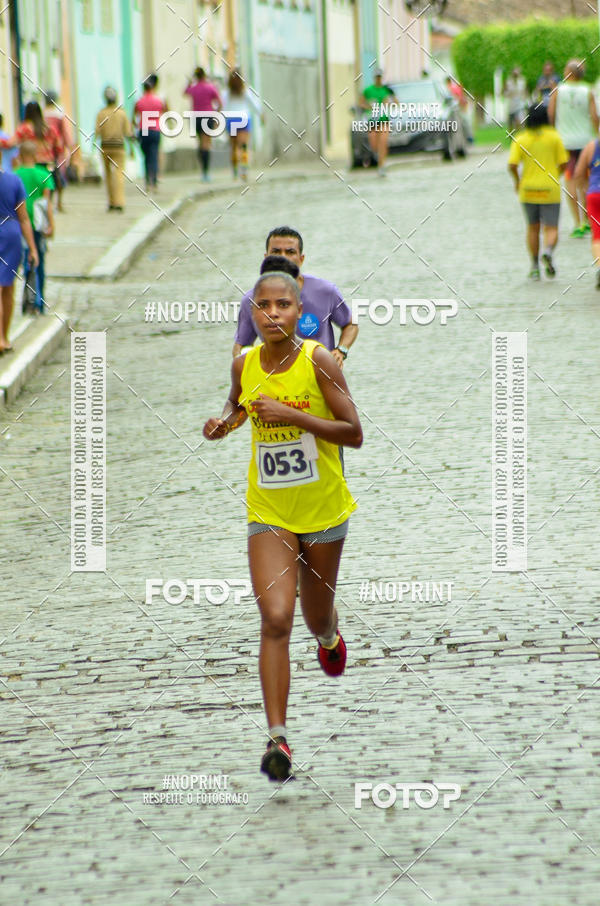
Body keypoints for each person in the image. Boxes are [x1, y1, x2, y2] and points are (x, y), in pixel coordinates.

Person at [202, 270, 363, 780]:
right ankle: (278, 739)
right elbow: (237, 405)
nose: (272, 314)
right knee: (275, 618)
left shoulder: (319, 361)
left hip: (322, 512)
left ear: (300, 313)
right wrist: (223, 423)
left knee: (315, 619)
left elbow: (353, 433)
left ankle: (330, 635)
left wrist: (294, 417)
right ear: (252, 314)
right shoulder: (244, 363)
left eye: (282, 306)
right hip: (268, 509)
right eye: (262, 306)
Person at [232, 226, 358, 368]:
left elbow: (350, 324)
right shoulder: (251, 300)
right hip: (278, 381)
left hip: (322, 377)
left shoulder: (325, 291)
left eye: (290, 252)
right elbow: (241, 345)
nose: (283, 257)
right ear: (266, 258)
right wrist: (245, 368)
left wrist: (341, 351)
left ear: (301, 258)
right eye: (276, 251)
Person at [508, 104, 568, 280]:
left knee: (532, 228)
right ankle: (548, 251)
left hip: (528, 190)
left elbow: (512, 165)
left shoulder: (521, 139)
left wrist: (518, 181)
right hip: (550, 189)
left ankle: (534, 266)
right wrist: (556, 175)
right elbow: (564, 163)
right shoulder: (554, 137)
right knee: (551, 228)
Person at [549, 59, 599, 236]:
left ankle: (577, 223)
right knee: (585, 182)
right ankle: (588, 220)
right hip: (585, 142)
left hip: (566, 143)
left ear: (568, 73)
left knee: (570, 181)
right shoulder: (588, 91)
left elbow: (551, 115)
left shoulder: (558, 91)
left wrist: (553, 135)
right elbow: (594, 117)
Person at [0, 167, 39, 351]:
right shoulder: (14, 181)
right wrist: (33, 248)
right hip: (11, 233)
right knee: (7, 288)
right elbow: (24, 218)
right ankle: (5, 338)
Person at [14, 141, 55, 314]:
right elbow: (47, 204)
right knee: (40, 262)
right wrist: (51, 224)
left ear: (20, 156)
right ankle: (39, 301)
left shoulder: (15, 175)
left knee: (26, 262)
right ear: (36, 155)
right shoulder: (44, 174)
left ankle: (28, 299)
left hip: (19, 223)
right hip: (38, 224)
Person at [95, 86, 133, 212]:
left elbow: (97, 131)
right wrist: (132, 149)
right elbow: (128, 133)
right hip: (119, 147)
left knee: (108, 175)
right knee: (119, 175)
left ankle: (111, 202)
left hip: (105, 146)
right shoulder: (122, 113)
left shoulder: (101, 113)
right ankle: (119, 202)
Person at [221, 70, 262, 181]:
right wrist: (261, 115)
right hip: (244, 119)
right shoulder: (245, 91)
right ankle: (243, 170)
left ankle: (234, 171)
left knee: (234, 147)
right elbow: (254, 105)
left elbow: (223, 107)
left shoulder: (226, 93)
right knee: (244, 146)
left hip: (231, 119)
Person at [0, 101, 61, 175]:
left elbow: (9, 143)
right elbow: (59, 147)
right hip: (49, 164)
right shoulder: (50, 128)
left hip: (32, 164)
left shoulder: (24, 128)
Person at [184, 67, 222, 182]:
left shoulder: (194, 88)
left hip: (196, 117)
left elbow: (185, 93)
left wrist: (189, 83)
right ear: (204, 75)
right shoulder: (210, 87)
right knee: (206, 144)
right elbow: (219, 103)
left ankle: (202, 170)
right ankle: (206, 172)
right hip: (208, 116)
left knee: (200, 144)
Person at [360, 67, 398, 176]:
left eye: (380, 77)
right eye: (377, 77)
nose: (378, 79)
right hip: (373, 120)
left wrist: (389, 103)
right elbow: (361, 102)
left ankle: (382, 165)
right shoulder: (368, 90)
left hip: (384, 120)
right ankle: (377, 156)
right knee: (374, 144)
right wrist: (369, 106)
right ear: (374, 78)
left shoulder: (386, 90)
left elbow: (396, 103)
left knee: (383, 141)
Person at [574, 139, 600, 288]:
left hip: (595, 193)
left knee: (597, 235)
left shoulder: (591, 146)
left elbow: (578, 173)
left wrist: (585, 188)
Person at [133, 75, 166, 192]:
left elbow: (134, 117)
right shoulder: (158, 101)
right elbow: (165, 111)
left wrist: (135, 129)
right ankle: (155, 183)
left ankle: (147, 182)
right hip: (155, 130)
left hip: (144, 130)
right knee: (154, 155)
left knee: (146, 157)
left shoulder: (139, 102)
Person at [43, 90, 73, 212]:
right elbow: (65, 133)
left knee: (48, 176)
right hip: (57, 150)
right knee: (60, 175)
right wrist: (70, 147)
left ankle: (48, 202)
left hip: (44, 150)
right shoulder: (59, 115)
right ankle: (59, 203)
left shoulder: (43, 115)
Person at [504, 67, 528, 132]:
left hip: (520, 104)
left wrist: (525, 100)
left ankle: (520, 133)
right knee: (511, 122)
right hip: (511, 104)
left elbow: (525, 91)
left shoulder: (522, 80)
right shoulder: (509, 81)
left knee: (520, 120)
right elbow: (505, 92)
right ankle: (512, 135)